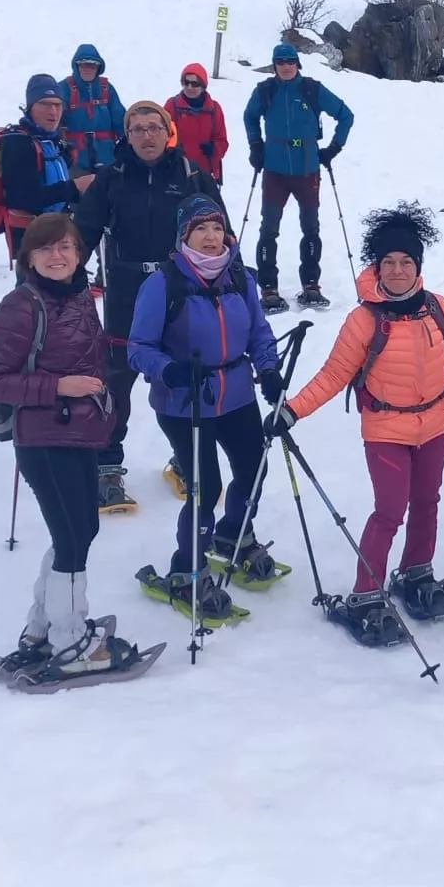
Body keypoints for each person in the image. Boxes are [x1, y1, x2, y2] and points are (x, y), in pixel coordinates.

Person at [268, 203, 444, 645]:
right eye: (389, 262)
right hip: (386, 429)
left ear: (418, 265)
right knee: (389, 512)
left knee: (427, 503)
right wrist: (293, 410)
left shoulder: (436, 306)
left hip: (437, 422)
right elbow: (334, 374)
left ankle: (417, 572)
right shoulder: (364, 319)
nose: (398, 270)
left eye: (406, 261)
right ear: (376, 266)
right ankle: (364, 595)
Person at [0, 213, 151, 685]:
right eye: (47, 248)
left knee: (80, 529)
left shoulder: (77, 297)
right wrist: (60, 386)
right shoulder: (22, 305)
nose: (58, 256)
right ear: (29, 257)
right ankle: (71, 639)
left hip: (79, 433)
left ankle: (41, 630)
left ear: (80, 255)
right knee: (73, 537)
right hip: (43, 438)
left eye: (67, 247)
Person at [128, 196, 284, 618]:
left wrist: (268, 369)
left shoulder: (239, 276)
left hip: (236, 394)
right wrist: (171, 371)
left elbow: (259, 333)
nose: (212, 237)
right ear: (185, 237)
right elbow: (138, 348)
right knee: (205, 488)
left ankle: (233, 535)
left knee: (253, 471)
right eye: (202, 229)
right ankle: (186, 571)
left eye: (217, 228)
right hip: (185, 402)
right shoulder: (163, 283)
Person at [73, 100, 221, 511]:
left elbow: (219, 233)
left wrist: (231, 282)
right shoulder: (113, 178)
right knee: (117, 378)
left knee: (183, 375)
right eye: (136, 129)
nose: (146, 136)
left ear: (167, 130)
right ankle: (106, 466)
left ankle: (186, 459)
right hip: (126, 290)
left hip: (182, 290)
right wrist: (64, 279)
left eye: (153, 127)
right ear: (128, 135)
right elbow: (83, 230)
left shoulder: (192, 176)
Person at [242, 42, 354, 313]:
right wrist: (256, 145)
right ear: (274, 65)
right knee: (269, 228)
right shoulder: (265, 91)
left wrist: (333, 149)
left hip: (307, 169)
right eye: (281, 62)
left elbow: (346, 116)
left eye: (290, 61)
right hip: (275, 170)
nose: (286, 66)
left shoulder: (312, 89)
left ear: (297, 63)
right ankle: (269, 288)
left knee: (311, 227)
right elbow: (249, 116)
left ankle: (311, 285)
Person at [1, 74, 88, 256]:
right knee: (32, 285)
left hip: (57, 233)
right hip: (33, 240)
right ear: (30, 107)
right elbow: (23, 199)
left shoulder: (53, 142)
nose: (53, 112)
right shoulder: (17, 143)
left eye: (58, 105)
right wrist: (75, 187)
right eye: (45, 104)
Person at [60, 44, 126, 175]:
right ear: (76, 66)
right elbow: (54, 121)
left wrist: (128, 148)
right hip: (75, 164)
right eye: (83, 65)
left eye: (92, 65)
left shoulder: (107, 89)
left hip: (107, 160)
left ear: (98, 67)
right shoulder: (64, 88)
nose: (88, 69)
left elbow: (121, 121)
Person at [166, 63, 231, 184]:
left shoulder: (214, 109)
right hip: (177, 171)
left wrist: (214, 149)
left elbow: (222, 141)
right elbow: (162, 135)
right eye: (186, 82)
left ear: (203, 86)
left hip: (205, 173)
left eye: (195, 84)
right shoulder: (172, 106)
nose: (189, 87)